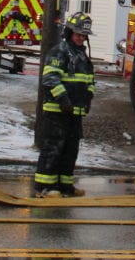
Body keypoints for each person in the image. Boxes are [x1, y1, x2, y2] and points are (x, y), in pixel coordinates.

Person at [33, 11, 95, 198]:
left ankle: (65, 185)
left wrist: (88, 97)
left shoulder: (82, 55)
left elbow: (89, 80)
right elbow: (50, 78)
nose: (81, 38)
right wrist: (63, 100)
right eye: (78, 34)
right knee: (53, 148)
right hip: (57, 110)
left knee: (70, 150)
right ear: (69, 32)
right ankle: (45, 187)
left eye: (84, 35)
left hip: (75, 111)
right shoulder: (59, 52)